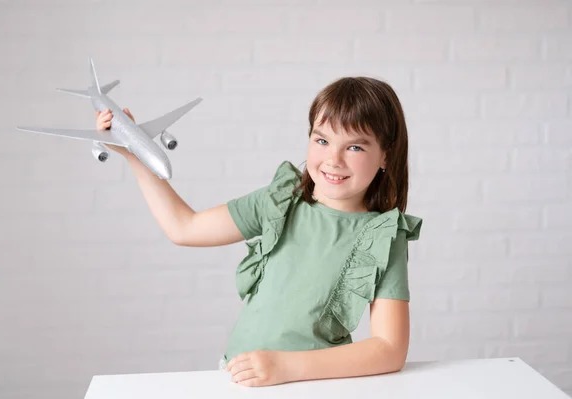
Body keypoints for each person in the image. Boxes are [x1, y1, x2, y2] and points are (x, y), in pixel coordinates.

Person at [96, 77, 423, 388]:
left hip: (313, 386)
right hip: (240, 379)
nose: (332, 160)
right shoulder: (279, 201)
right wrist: (134, 154)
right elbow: (185, 227)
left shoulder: (382, 235)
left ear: (385, 155)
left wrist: (285, 367)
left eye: (355, 148)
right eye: (322, 140)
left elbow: (389, 349)